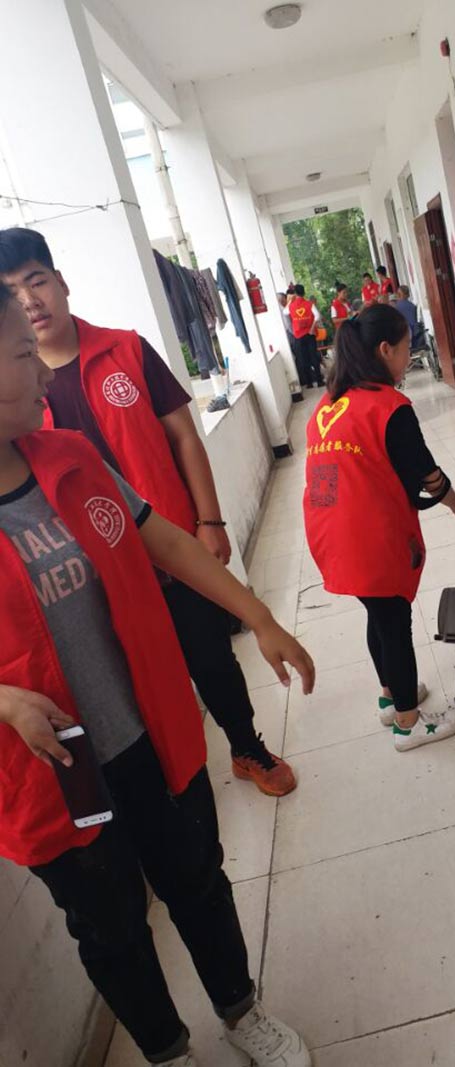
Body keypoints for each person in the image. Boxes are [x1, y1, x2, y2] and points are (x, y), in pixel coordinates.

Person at [0, 283, 315, 1067]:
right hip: (54, 775)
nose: (44, 370)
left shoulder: (71, 458)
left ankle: (242, 1011)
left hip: (144, 730)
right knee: (110, 927)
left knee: (197, 877)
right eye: (22, 354)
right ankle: (169, 1053)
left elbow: (163, 540)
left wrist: (261, 616)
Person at [0, 228, 296, 797]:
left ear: (60, 282)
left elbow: (183, 435)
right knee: (136, 681)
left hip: (172, 549)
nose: (29, 300)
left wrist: (209, 521)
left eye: (36, 282)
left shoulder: (125, 350)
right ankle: (169, 777)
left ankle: (246, 749)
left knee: (213, 660)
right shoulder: (19, 399)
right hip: (97, 579)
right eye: (12, 292)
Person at [304, 304, 455, 750]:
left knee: (378, 615)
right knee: (394, 624)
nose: (407, 357)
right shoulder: (388, 406)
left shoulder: (327, 405)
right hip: (369, 536)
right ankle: (407, 723)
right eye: (405, 349)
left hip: (329, 531)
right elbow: (428, 474)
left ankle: (390, 696)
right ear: (385, 350)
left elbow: (332, 477)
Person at [289, 283, 324, 389]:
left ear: (295, 293)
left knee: (303, 359)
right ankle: (319, 381)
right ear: (304, 293)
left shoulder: (291, 305)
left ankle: (309, 383)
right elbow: (317, 316)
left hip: (298, 336)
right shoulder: (309, 304)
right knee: (314, 357)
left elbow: (285, 312)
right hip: (310, 334)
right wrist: (312, 328)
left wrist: (290, 300)